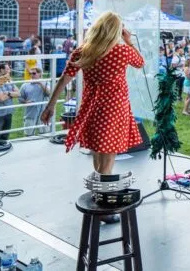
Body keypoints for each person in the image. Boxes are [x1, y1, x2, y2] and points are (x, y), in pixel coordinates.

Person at [41, 12, 144, 224]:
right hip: (113, 111)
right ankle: (104, 209)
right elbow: (140, 63)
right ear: (115, 31)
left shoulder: (83, 51)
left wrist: (50, 105)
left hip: (92, 110)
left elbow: (64, 79)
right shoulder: (122, 51)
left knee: (99, 160)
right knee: (107, 163)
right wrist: (129, 41)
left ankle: (100, 199)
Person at [0, 63, 20, 141]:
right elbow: (1, 98)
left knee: (5, 138)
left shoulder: (8, 79)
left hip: (8, 113)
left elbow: (19, 93)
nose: (10, 70)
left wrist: (8, 93)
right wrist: (12, 94)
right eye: (8, 69)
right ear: (2, 70)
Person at [18, 67, 50, 136]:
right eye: (30, 74)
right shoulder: (25, 85)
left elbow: (49, 93)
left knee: (45, 135)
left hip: (43, 113)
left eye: (34, 73)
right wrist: (25, 102)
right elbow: (20, 98)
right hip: (30, 113)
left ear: (40, 74)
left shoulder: (46, 83)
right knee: (29, 135)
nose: (32, 75)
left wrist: (40, 83)